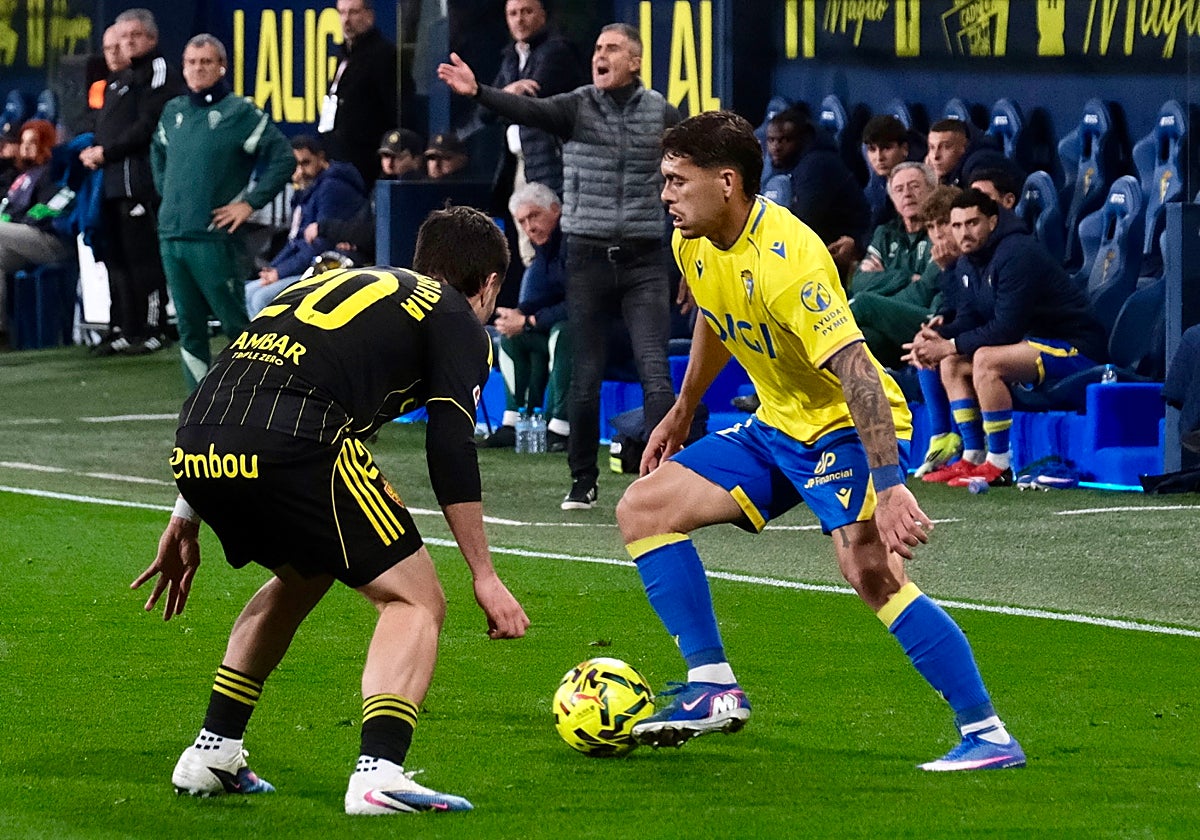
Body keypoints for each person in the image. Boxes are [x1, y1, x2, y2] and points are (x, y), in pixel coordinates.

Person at [614, 110, 1025, 772]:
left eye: (675, 181)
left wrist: (890, 488)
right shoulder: (691, 240)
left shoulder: (791, 260)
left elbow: (859, 373)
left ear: (726, 182)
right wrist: (685, 407)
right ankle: (713, 686)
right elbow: (718, 317)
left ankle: (988, 733)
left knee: (867, 569)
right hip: (778, 423)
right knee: (643, 507)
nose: (665, 195)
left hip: (847, 425)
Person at [130, 205, 530, 814]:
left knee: (306, 571)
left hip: (197, 440)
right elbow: (450, 445)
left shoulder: (340, 282)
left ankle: (213, 752)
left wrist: (186, 513)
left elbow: (233, 376)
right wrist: (484, 574)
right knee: (416, 598)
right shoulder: (456, 315)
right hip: (293, 441)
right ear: (491, 283)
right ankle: (380, 773)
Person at [438, 23, 679, 511]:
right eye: (596, 47)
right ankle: (582, 481)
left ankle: (666, 481)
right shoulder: (578, 105)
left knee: (656, 374)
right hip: (587, 256)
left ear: (635, 61)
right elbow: (530, 109)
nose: (600, 55)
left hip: (644, 259)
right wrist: (482, 91)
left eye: (611, 48)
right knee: (584, 376)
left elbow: (690, 170)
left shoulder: (662, 113)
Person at [909, 189, 1108, 488]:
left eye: (973, 223)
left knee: (985, 360)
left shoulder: (1017, 253)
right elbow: (970, 318)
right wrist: (934, 339)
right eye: (958, 225)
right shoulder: (967, 263)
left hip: (1073, 346)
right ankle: (973, 455)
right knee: (950, 363)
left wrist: (948, 344)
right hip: (1031, 345)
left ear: (991, 221)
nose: (964, 232)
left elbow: (1006, 329)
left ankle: (1000, 463)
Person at [151, 34, 294, 390]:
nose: (198, 69)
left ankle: (261, 395)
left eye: (206, 62)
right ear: (182, 67)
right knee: (189, 326)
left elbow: (283, 157)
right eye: (191, 62)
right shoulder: (174, 111)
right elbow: (157, 154)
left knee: (236, 323)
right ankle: (198, 403)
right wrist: (170, 196)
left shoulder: (239, 112)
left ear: (221, 67)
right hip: (173, 234)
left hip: (214, 237)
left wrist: (250, 203)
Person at [81, 8, 185, 357]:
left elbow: (149, 124)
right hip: (112, 183)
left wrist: (106, 152)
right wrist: (96, 151)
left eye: (135, 36)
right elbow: (107, 127)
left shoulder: (157, 73)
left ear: (152, 39)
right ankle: (128, 327)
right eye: (123, 37)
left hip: (140, 183)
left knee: (145, 259)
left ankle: (155, 327)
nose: (128, 43)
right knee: (119, 258)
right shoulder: (118, 81)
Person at [484, 0, 584, 265]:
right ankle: (530, 303)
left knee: (552, 238)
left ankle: (546, 304)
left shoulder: (556, 51)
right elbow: (486, 112)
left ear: (543, 14)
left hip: (551, 159)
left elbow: (529, 106)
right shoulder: (511, 57)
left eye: (527, 12)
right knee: (526, 241)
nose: (520, 20)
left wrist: (503, 98)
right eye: (513, 14)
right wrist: (508, 93)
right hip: (519, 163)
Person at [482, 181, 570, 450]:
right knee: (511, 337)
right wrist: (518, 315)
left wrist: (530, 321)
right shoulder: (542, 252)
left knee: (563, 333)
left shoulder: (573, 243)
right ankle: (515, 422)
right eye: (522, 222)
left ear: (555, 210)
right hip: (557, 326)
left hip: (602, 331)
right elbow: (539, 298)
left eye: (534, 216)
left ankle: (560, 426)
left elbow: (581, 304)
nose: (529, 227)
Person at [245, 135, 367, 317]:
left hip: (329, 269)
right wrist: (273, 269)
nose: (300, 171)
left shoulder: (332, 188)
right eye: (296, 165)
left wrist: (280, 273)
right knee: (247, 291)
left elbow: (320, 245)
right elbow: (295, 240)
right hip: (304, 266)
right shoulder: (308, 189)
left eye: (306, 163)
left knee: (261, 298)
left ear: (321, 157)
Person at [847, 162, 938, 368]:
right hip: (889, 334)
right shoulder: (885, 234)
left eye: (914, 186)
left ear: (933, 190)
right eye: (899, 189)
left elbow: (923, 295)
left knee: (863, 303)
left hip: (924, 322)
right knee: (864, 339)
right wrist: (907, 278)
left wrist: (879, 297)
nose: (907, 194)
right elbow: (859, 282)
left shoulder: (941, 233)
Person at [760, 107, 870, 276]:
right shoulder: (796, 162)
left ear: (802, 139)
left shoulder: (816, 165)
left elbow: (805, 224)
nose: (776, 147)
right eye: (771, 140)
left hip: (850, 250)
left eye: (785, 140)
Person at [0, 120, 74, 336]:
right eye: (23, 142)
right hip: (26, 242)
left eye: (32, 142)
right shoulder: (22, 174)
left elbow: (51, 210)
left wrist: (15, 219)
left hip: (54, 240)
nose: (26, 147)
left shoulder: (54, 170)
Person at [319, 0, 399, 189]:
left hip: (366, 167)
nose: (346, 20)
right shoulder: (344, 55)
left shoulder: (384, 55)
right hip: (339, 163)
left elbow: (396, 110)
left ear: (369, 15)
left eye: (353, 13)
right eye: (341, 13)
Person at [861, 114, 911, 230]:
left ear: (904, 149)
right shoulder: (874, 187)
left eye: (886, 148)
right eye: (872, 149)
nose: (879, 157)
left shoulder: (921, 182)